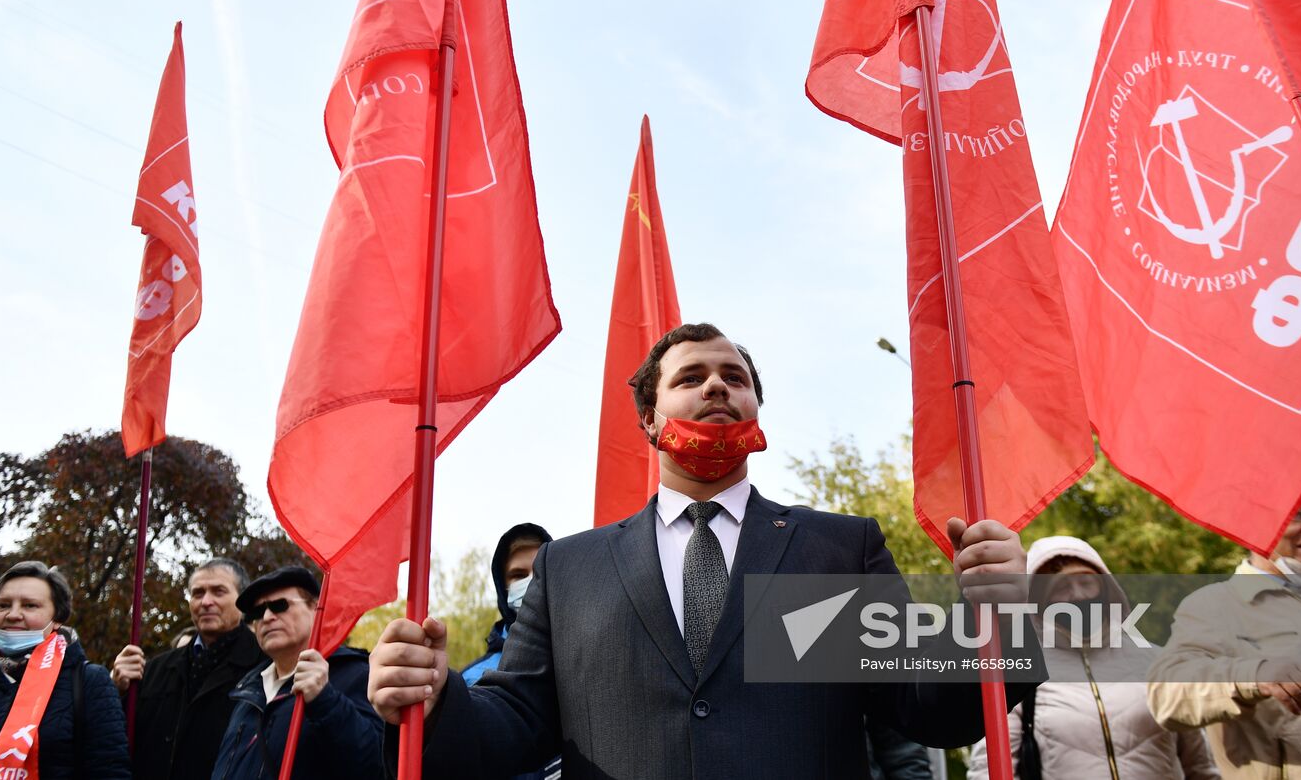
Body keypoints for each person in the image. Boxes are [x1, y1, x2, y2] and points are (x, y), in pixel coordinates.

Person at [369, 322, 1041, 778]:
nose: (718, 385)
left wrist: (997, 617)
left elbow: (928, 709)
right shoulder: (568, 569)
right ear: (649, 420)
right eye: (691, 377)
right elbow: (515, 725)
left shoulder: (839, 547)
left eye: (735, 377)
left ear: (755, 408)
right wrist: (436, 699)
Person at [1147, 488, 1301, 779]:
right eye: (1297, 516)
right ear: (1255, 529)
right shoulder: (1215, 605)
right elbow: (1166, 697)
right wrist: (1254, 675)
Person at [967, 536, 1218, 779]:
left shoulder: (1156, 660)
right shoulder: (1018, 671)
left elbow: (1199, 764)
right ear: (1040, 601)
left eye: (1087, 582)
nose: (1077, 595)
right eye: (1061, 587)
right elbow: (989, 770)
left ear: (1107, 587)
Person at [210, 566, 382, 780]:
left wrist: (325, 700)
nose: (267, 616)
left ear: (316, 609)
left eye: (280, 605)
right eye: (257, 612)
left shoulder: (356, 674)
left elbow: (374, 764)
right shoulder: (246, 692)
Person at [110, 557, 264, 780]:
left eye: (218, 592)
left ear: (242, 601)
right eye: (198, 593)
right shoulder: (153, 670)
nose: (206, 602)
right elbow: (116, 738)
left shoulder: (265, 667)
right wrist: (116, 691)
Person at [0, 560, 130, 778]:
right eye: (2, 605)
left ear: (57, 618)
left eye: (30, 605)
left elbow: (109, 770)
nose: (13, 614)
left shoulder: (88, 681)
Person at [460, 523, 553, 687]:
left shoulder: (577, 662)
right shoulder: (473, 680)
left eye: (540, 572)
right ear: (503, 587)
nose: (531, 583)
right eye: (519, 575)